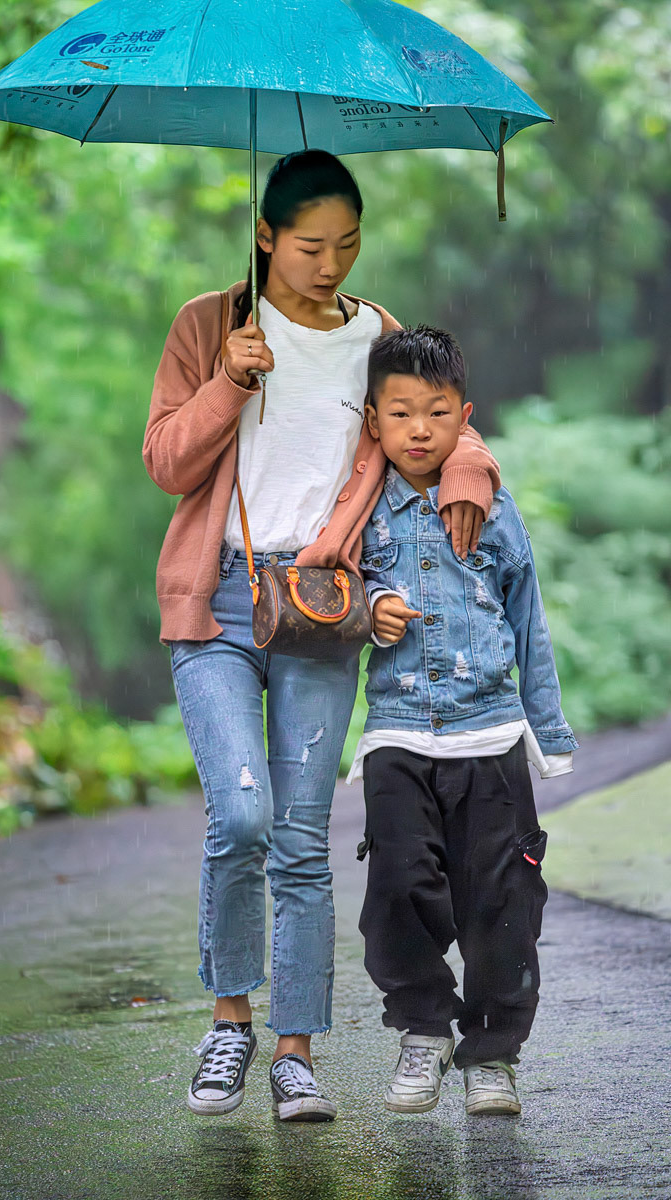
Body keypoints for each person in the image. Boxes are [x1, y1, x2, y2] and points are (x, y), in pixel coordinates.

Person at [143, 151, 500, 1122]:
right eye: (309, 245)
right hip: (218, 601)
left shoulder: (375, 334)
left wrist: (467, 471)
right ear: (265, 237)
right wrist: (227, 381)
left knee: (301, 840)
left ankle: (294, 1053)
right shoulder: (208, 324)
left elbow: (433, 417)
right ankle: (230, 1023)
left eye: (347, 243)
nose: (330, 263)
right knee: (241, 816)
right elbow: (166, 462)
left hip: (321, 602)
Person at [348, 325, 578, 1116]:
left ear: (464, 417)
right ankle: (422, 1030)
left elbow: (527, 618)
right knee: (398, 886)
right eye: (401, 413)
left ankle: (492, 1055)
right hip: (398, 732)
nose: (419, 430)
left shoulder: (494, 508)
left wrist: (547, 732)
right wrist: (368, 606)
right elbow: (331, 586)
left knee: (501, 901)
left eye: (437, 413)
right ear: (373, 420)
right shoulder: (359, 509)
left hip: (489, 732)